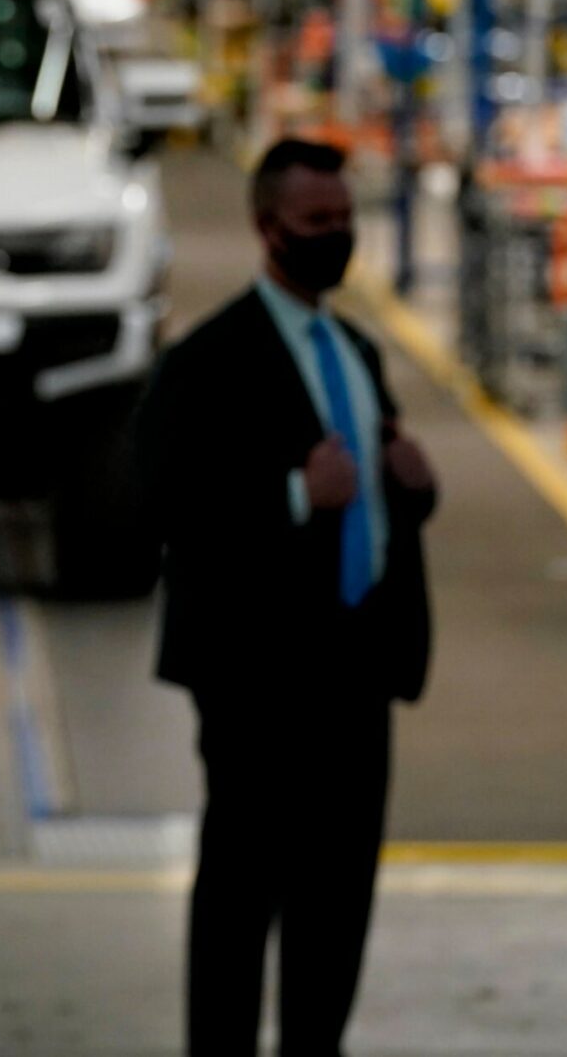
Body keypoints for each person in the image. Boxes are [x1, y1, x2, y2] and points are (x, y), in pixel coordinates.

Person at [122, 138, 438, 1057]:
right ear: (267, 229)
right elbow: (160, 505)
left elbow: (377, 504)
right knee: (240, 896)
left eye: (344, 220)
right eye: (316, 223)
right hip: (258, 678)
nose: (335, 237)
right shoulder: (208, 364)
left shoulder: (358, 352)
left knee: (338, 904)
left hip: (358, 670)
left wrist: (411, 487)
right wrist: (295, 497)